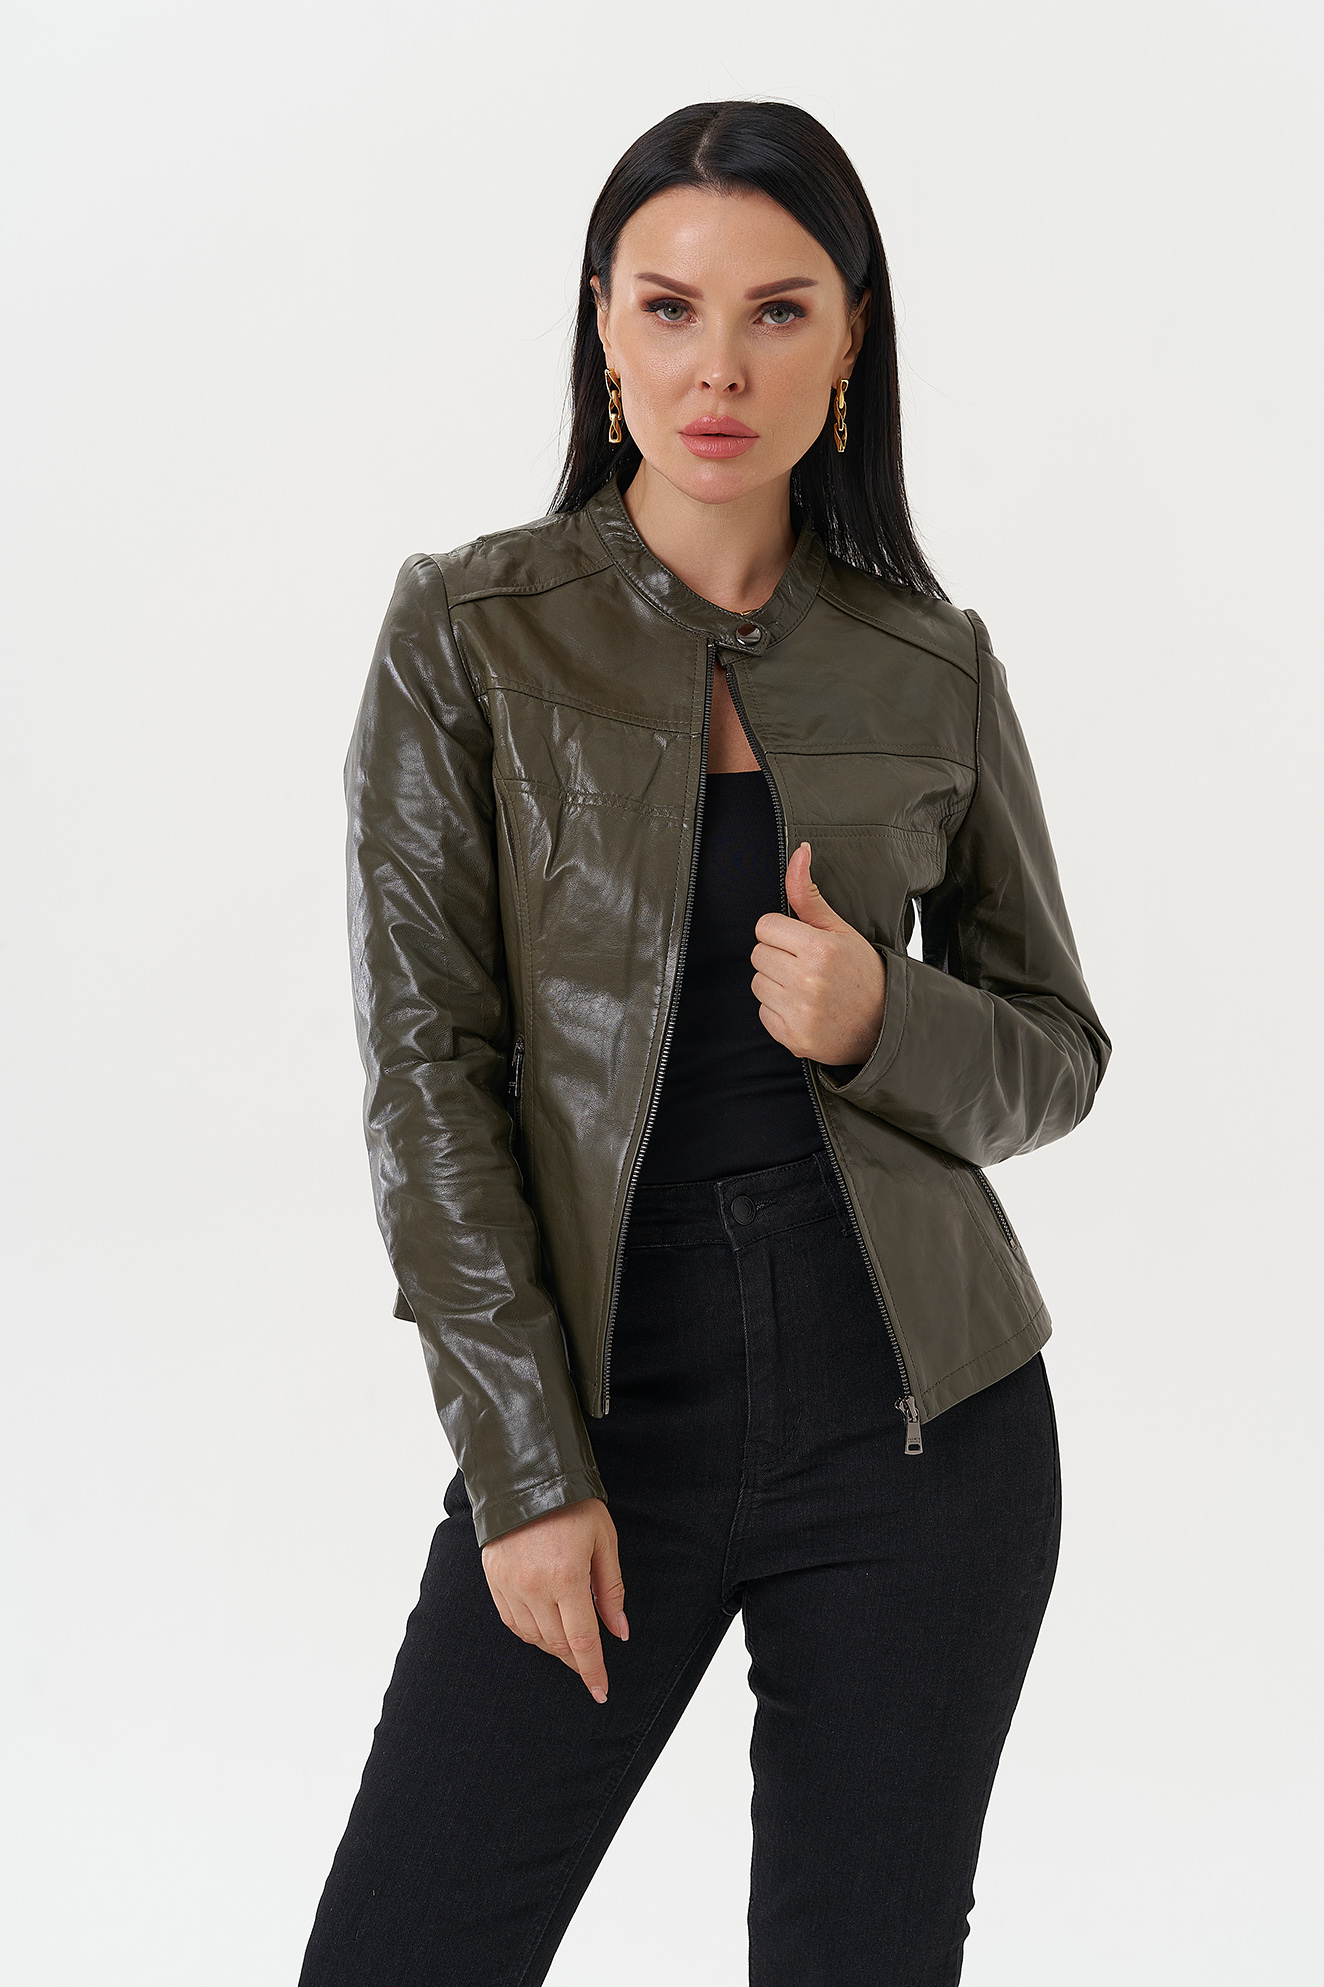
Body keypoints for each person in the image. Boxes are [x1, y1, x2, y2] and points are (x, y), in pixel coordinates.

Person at [298, 98, 1110, 1987]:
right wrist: (525, 1470)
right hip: (604, 1396)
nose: (717, 368)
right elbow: (429, 1079)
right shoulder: (471, 634)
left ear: (850, 346)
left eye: (777, 311)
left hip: (920, 1417)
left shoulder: (931, 664)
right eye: (668, 308)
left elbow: (1055, 1049)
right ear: (604, 328)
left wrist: (883, 1016)